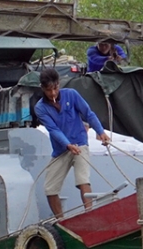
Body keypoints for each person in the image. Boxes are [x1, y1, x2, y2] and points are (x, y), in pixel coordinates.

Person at [34, 68, 111, 218]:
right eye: (49, 90)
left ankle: (89, 214)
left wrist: (100, 131)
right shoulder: (40, 108)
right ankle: (61, 220)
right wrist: (67, 145)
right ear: (43, 89)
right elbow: (53, 130)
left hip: (80, 143)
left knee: (83, 179)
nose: (53, 93)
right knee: (50, 188)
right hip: (61, 149)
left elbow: (88, 113)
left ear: (59, 84)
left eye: (55, 88)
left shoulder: (71, 95)